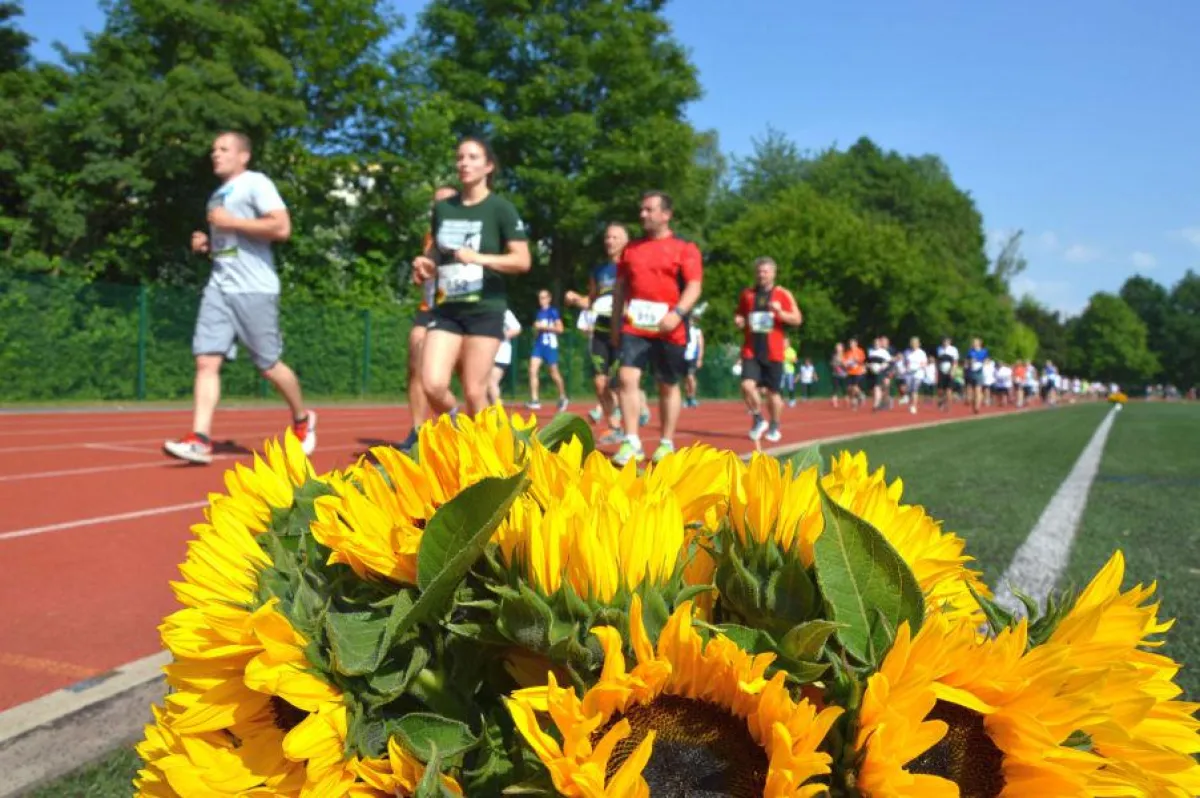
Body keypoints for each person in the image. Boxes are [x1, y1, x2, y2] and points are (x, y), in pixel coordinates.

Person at [164, 132, 315, 465]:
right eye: (213, 149)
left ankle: (303, 419)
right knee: (206, 360)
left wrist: (231, 222)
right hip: (219, 285)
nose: (215, 154)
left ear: (243, 156)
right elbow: (233, 246)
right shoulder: (217, 194)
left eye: (223, 149)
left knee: (269, 365)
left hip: (255, 288)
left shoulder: (255, 183)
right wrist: (210, 245)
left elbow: (281, 227)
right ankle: (200, 439)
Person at [413, 137, 531, 419]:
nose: (464, 163)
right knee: (432, 384)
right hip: (447, 307)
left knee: (475, 391)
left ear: (488, 166)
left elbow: (522, 260)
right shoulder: (444, 209)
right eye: (460, 157)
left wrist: (481, 258)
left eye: (473, 157)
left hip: (485, 309)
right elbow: (435, 254)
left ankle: (488, 455)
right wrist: (425, 265)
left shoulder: (500, 208)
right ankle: (458, 423)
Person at [610, 191, 703, 466]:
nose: (642, 214)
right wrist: (616, 323)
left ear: (666, 214)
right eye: (641, 209)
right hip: (635, 327)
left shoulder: (684, 248)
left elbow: (694, 286)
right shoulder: (631, 249)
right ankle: (631, 441)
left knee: (667, 385)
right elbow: (620, 289)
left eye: (649, 210)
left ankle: (665, 442)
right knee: (626, 378)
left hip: (669, 329)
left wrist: (677, 314)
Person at [399, 185, 458, 450]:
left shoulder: (467, 231)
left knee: (472, 381)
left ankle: (463, 423)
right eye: (435, 203)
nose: (438, 207)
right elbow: (421, 277)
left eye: (445, 202)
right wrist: (420, 272)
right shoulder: (430, 236)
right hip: (430, 306)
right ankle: (417, 430)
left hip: (459, 307)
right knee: (415, 354)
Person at [566, 223, 626, 440]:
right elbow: (591, 301)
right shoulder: (599, 271)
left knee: (621, 382)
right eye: (607, 237)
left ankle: (634, 417)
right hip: (601, 331)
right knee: (600, 383)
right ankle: (614, 426)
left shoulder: (632, 267)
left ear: (625, 241)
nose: (610, 241)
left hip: (625, 332)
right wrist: (575, 299)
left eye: (615, 237)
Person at [735, 257, 802, 442]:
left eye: (765, 271)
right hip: (751, 349)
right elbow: (740, 313)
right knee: (746, 385)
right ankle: (758, 418)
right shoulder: (747, 294)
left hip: (773, 351)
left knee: (773, 393)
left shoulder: (782, 294)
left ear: (773, 273)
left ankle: (774, 424)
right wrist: (739, 320)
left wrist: (780, 313)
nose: (761, 274)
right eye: (759, 271)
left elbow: (797, 319)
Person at [526, 289, 568, 411]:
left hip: (550, 345)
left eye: (544, 297)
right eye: (540, 298)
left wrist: (545, 327)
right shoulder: (539, 313)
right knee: (532, 369)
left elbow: (560, 329)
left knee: (554, 373)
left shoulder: (553, 312)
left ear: (549, 298)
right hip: (539, 345)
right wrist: (536, 329)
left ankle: (562, 396)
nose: (542, 300)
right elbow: (537, 329)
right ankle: (535, 400)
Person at [487, 308, 522, 406]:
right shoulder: (480, 312)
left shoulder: (504, 311)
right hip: (486, 353)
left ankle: (499, 414)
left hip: (501, 353)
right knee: (485, 387)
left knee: (491, 383)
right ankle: (490, 414)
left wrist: (499, 335)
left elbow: (517, 329)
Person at [902, 336, 929, 415]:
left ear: (918, 344)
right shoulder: (907, 352)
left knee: (915, 389)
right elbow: (905, 362)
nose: (914, 345)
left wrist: (918, 367)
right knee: (910, 390)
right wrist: (906, 368)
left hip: (918, 373)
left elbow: (924, 363)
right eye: (912, 343)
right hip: (909, 373)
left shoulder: (921, 353)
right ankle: (910, 403)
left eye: (915, 343)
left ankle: (914, 405)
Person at [683, 321, 705, 408]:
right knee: (686, 379)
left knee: (690, 377)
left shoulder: (697, 331)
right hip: (683, 356)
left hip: (693, 357)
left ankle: (692, 397)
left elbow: (701, 345)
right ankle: (688, 398)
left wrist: (699, 358)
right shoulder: (683, 330)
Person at [965, 337, 988, 414]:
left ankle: (977, 407)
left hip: (979, 372)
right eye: (973, 342)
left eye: (975, 342)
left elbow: (986, 360)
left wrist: (981, 364)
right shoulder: (970, 351)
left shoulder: (984, 351)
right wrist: (969, 364)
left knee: (978, 390)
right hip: (971, 372)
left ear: (979, 343)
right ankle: (974, 405)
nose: (974, 343)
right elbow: (967, 361)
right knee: (972, 392)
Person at [935, 337, 959, 412]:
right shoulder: (939, 349)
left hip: (950, 371)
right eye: (944, 341)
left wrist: (953, 371)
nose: (945, 343)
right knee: (940, 390)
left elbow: (955, 361)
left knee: (949, 390)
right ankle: (941, 401)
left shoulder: (953, 350)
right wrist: (936, 371)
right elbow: (937, 361)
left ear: (950, 342)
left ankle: (948, 406)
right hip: (941, 371)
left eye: (946, 341)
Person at [844, 337, 866, 410]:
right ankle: (858, 398)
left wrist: (856, 360)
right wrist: (846, 363)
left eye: (853, 343)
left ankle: (860, 398)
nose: (851, 344)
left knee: (855, 388)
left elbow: (862, 360)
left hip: (858, 372)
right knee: (849, 389)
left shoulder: (860, 351)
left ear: (856, 343)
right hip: (850, 372)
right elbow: (845, 362)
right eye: (850, 343)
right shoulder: (848, 352)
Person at [830, 342, 848, 408]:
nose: (838, 348)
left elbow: (847, 364)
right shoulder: (834, 356)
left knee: (845, 389)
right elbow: (832, 364)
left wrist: (844, 365)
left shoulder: (846, 355)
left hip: (844, 375)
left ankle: (846, 401)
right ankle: (835, 402)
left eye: (839, 347)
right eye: (837, 347)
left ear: (842, 348)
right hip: (836, 374)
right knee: (835, 388)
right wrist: (837, 368)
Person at [781, 340, 799, 406]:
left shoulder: (791, 351)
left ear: (788, 343)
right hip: (781, 371)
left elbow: (795, 360)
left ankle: (792, 400)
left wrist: (794, 360)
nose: (783, 344)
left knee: (790, 387)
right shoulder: (780, 350)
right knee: (781, 386)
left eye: (785, 342)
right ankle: (781, 400)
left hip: (790, 372)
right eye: (783, 342)